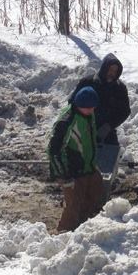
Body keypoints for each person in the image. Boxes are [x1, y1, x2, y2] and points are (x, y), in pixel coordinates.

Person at [48, 86, 105, 231]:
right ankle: (64, 234)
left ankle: (83, 228)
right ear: (79, 105)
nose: (91, 111)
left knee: (95, 194)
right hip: (71, 169)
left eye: (93, 107)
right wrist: (63, 174)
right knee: (73, 205)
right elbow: (54, 149)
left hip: (88, 165)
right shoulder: (67, 120)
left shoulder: (87, 113)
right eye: (88, 108)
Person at [70, 54, 131, 146]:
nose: (112, 73)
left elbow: (125, 111)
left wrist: (108, 126)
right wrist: (82, 121)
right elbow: (73, 102)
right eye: (110, 70)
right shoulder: (87, 82)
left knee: (110, 155)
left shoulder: (120, 88)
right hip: (83, 126)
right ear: (104, 68)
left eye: (115, 71)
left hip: (106, 130)